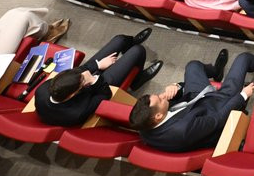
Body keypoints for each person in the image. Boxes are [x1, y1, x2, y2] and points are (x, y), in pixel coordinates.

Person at [128, 45, 254, 152]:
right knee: (243, 58)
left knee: (193, 66)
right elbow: (218, 119)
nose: (161, 96)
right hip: (217, 106)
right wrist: (242, 96)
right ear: (158, 116)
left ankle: (215, 72)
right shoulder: (182, 129)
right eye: (160, 100)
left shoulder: (145, 126)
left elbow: (178, 104)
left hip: (193, 101)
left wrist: (176, 88)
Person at [34, 29, 162, 127]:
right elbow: (105, 95)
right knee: (138, 51)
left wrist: (97, 65)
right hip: (99, 88)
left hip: (87, 81)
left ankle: (129, 44)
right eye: (81, 79)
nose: (83, 74)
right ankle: (136, 80)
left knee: (120, 39)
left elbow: (80, 70)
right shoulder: (77, 112)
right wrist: (93, 80)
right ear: (73, 94)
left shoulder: (42, 90)